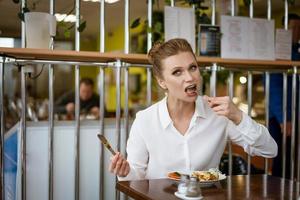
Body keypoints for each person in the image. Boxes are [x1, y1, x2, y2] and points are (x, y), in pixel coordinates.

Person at [109, 38, 278, 180]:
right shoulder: (145, 120)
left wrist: (238, 116)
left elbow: (270, 150)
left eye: (193, 68)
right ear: (162, 82)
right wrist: (125, 173)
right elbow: (136, 177)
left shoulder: (219, 113)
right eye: (177, 72)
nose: (190, 78)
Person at [268, 14, 300, 178]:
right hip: (281, 119)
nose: (296, 32)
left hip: (295, 116)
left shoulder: (296, 52)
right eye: (292, 27)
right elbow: (274, 87)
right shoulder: (279, 52)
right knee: (282, 159)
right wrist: (283, 118)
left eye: (298, 28)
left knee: (292, 159)